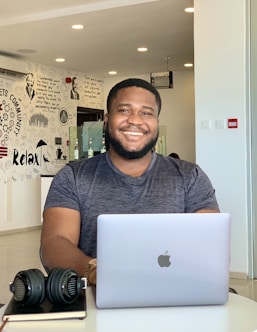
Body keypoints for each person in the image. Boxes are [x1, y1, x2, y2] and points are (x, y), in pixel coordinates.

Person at [40, 78, 219, 285]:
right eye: (124, 110)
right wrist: (95, 271)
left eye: (146, 112)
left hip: (176, 293)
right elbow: (54, 243)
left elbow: (211, 243)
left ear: (156, 123)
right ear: (107, 119)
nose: (135, 120)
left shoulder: (190, 177)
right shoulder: (73, 177)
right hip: (96, 297)